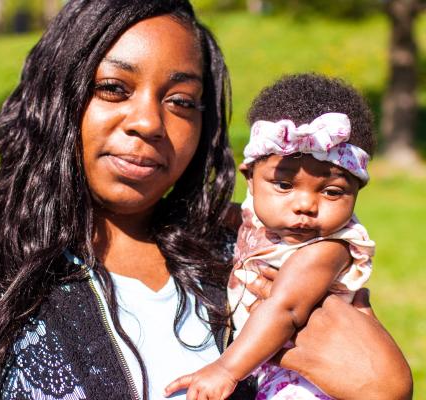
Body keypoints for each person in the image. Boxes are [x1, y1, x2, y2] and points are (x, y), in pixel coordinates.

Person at [0, 1, 412, 399]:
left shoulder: (240, 250)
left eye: (181, 101)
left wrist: (386, 382)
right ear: (59, 94)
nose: (149, 123)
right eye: (113, 88)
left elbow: (363, 369)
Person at [164, 74, 404, 400]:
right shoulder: (262, 214)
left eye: (332, 191)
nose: (305, 205)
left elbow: (286, 308)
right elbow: (235, 215)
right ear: (251, 179)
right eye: (284, 185)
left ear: (356, 192)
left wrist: (225, 369)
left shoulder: (329, 248)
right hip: (271, 367)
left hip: (311, 382)